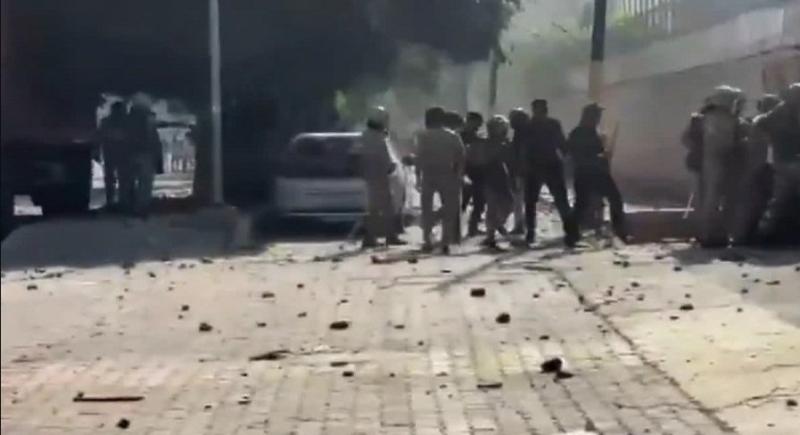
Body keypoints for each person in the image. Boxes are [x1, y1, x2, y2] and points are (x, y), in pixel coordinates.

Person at [567, 103, 629, 242]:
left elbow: (597, 151)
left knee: (613, 199)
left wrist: (603, 154)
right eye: (597, 115)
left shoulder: (593, 132)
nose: (598, 118)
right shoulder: (579, 133)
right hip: (587, 172)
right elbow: (576, 154)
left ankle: (619, 231)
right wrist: (599, 157)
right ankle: (572, 234)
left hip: (595, 172)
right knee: (583, 205)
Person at [521, 99, 579, 246]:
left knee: (534, 202)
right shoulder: (550, 124)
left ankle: (532, 233)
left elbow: (524, 148)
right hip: (547, 165)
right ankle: (570, 233)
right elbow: (562, 145)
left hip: (540, 166)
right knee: (558, 201)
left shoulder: (529, 126)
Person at [416, 107, 466, 254]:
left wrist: (418, 176)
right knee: (450, 208)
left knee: (426, 208)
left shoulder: (422, 136)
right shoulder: (452, 136)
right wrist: (459, 175)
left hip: (428, 173)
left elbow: (419, 157)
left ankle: (427, 240)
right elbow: (461, 157)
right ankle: (445, 241)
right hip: (447, 173)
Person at [758, 83, 800, 244]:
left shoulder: (778, 111)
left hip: (781, 160)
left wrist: (772, 139)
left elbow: (760, 124)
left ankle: (764, 234)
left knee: (778, 201)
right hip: (794, 160)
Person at [359, 106, 406, 248]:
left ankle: (371, 237)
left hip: (369, 176)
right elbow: (387, 159)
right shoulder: (380, 138)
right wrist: (392, 169)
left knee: (373, 208)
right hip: (380, 176)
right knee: (387, 208)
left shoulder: (364, 136)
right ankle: (388, 236)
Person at [121, 99, 162, 216]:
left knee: (128, 182)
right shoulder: (150, 120)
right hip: (146, 155)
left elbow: (122, 139)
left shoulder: (126, 120)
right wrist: (158, 159)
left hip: (129, 155)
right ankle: (142, 207)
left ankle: (128, 206)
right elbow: (155, 140)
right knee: (145, 184)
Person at [481, 115, 515, 249]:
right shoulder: (489, 144)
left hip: (500, 177)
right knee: (496, 207)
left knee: (504, 206)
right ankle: (492, 233)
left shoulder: (502, 144)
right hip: (492, 177)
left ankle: (494, 229)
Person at [98, 101, 129, 210]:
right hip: (121, 154)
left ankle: (112, 200)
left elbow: (100, 137)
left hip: (110, 153)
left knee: (111, 178)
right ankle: (122, 200)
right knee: (123, 178)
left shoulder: (106, 122)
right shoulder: (127, 122)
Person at [462, 112, 487, 236]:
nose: (478, 126)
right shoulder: (461, 136)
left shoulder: (476, 136)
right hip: (466, 171)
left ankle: (473, 228)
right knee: (463, 202)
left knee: (479, 202)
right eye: (476, 123)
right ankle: (453, 229)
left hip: (478, 172)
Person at [507, 108, 528, 234]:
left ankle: (519, 226)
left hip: (521, 172)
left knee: (518, 200)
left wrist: (517, 172)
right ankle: (523, 224)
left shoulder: (520, 135)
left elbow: (520, 155)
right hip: (528, 171)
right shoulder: (526, 133)